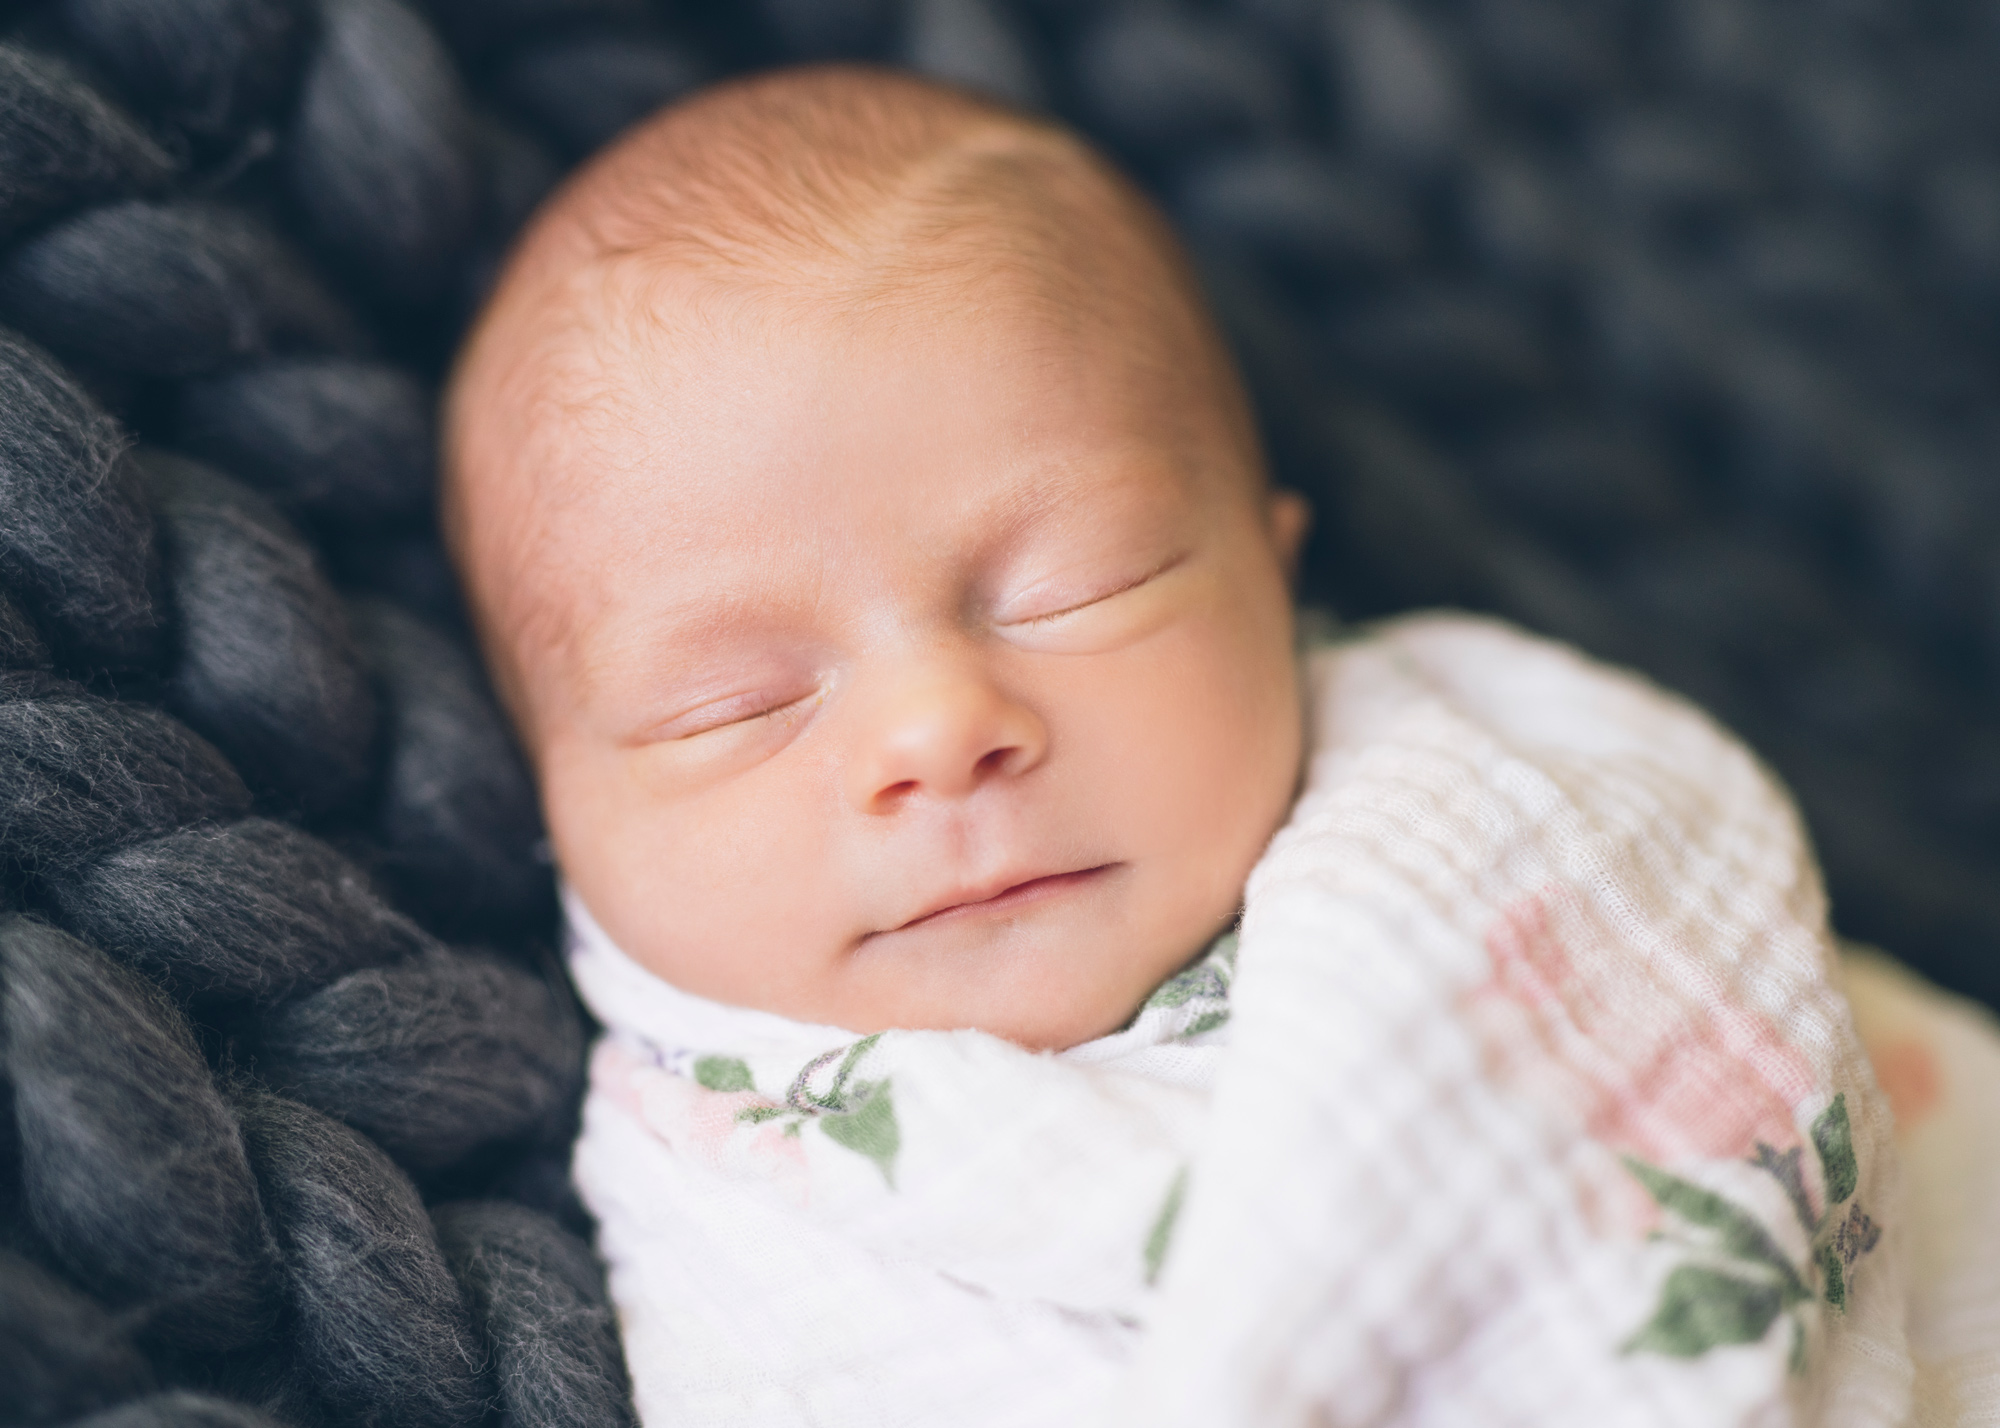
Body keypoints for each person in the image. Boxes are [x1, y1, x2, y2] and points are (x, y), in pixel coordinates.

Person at [443, 64, 1999, 1428]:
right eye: (737, 705)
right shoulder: (715, 1198)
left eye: (1078, 585)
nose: (940, 730)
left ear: (1274, 569)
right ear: (555, 805)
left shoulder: (1483, 792)